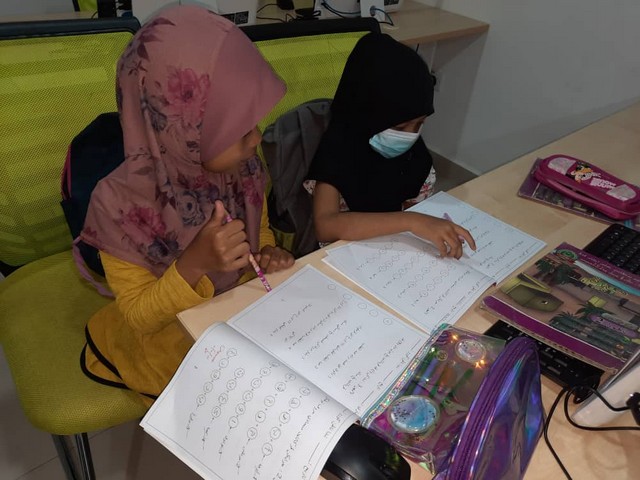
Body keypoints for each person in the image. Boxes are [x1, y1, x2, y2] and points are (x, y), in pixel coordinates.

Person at [78, 5, 294, 405]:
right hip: (165, 339)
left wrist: (266, 252)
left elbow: (257, 231)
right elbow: (139, 316)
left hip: (235, 318)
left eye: (254, 124)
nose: (256, 139)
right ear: (183, 127)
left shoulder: (242, 166)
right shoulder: (117, 206)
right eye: (240, 130)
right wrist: (194, 264)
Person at [305, 33, 476, 259]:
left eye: (420, 124)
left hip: (398, 256)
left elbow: (420, 209)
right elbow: (326, 225)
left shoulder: (416, 157)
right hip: (346, 259)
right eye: (400, 127)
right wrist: (411, 221)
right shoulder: (338, 148)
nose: (410, 136)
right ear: (366, 115)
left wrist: (419, 222)